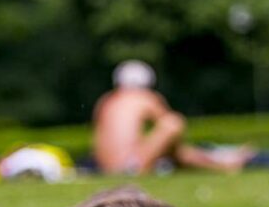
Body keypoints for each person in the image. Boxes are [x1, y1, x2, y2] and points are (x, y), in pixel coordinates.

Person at [93, 60, 256, 175]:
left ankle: (220, 162)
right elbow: (170, 128)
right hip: (129, 167)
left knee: (170, 147)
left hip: (107, 168)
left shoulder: (106, 101)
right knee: (173, 124)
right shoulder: (145, 97)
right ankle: (221, 162)